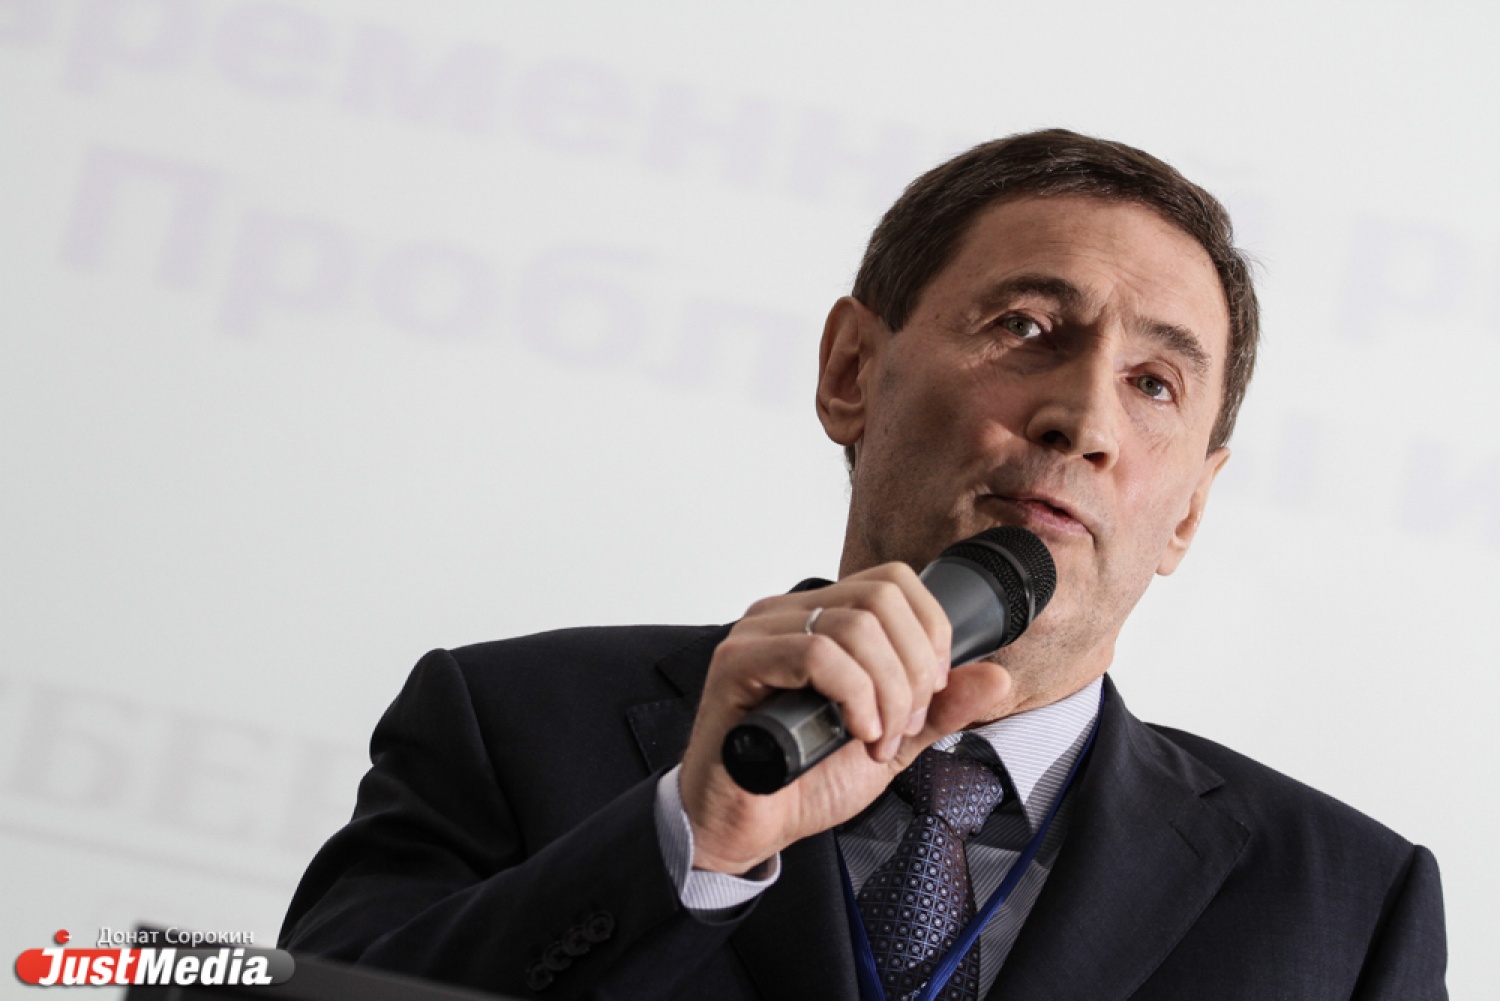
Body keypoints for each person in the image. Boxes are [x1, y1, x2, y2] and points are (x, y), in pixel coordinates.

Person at [279, 130, 1448, 1000]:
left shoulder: (1351, 903)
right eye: (1027, 327)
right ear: (851, 370)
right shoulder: (508, 720)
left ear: (1190, 506)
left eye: (1155, 383)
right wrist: (693, 840)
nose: (1085, 418)